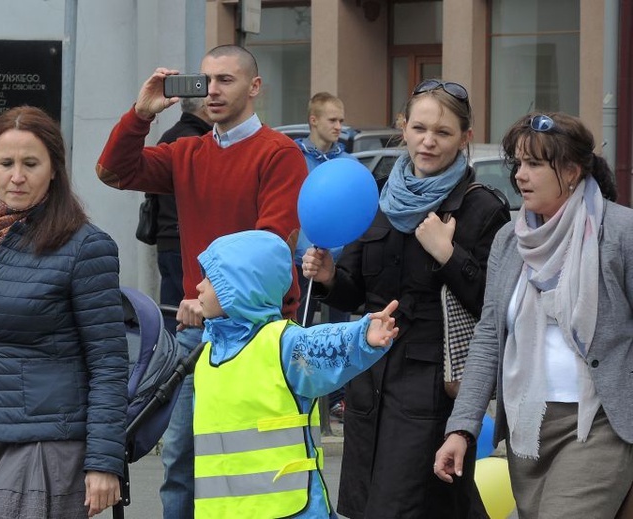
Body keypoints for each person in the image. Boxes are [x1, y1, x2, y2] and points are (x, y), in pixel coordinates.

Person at [96, 45, 307, 518]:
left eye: (226, 80)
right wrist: (140, 114)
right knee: (181, 459)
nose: (212, 90)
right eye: (206, 80)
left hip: (261, 334)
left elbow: (269, 246)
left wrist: (214, 300)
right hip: (198, 332)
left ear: (254, 87)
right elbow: (113, 171)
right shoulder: (186, 152)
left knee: (258, 462)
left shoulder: (280, 153)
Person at [302, 79, 510, 518]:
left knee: (416, 506)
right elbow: (355, 288)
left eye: (443, 132)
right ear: (403, 127)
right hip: (369, 380)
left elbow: (496, 308)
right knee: (364, 505)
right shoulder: (378, 195)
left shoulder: (481, 208)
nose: (428, 141)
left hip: (433, 388)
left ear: (465, 138)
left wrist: (449, 255)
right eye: (419, 128)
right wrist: (326, 278)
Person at [435, 112, 633, 518]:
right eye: (518, 164)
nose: (521, 175)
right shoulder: (512, 239)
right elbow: (489, 337)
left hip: (600, 424)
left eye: (535, 164)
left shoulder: (619, 233)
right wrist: (461, 428)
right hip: (529, 427)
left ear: (573, 171)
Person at [0, 106, 129, 518]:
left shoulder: (86, 246)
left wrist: (104, 463)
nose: (16, 176)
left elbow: (109, 363)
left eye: (31, 164)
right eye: (5, 163)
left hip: (49, 440)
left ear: (54, 169)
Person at [193, 229, 400, 518]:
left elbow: (324, 343)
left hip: (290, 511)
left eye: (211, 279)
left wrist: (362, 335)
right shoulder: (207, 353)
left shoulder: (283, 344)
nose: (198, 287)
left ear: (241, 288)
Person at [293, 92, 358, 421]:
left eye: (342, 120)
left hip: (339, 264)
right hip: (301, 262)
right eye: (332, 120)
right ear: (314, 120)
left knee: (339, 332)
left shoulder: (348, 165)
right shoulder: (293, 157)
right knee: (299, 329)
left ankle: (338, 399)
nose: (339, 127)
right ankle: (296, 388)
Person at [142, 97, 212, 334]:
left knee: (172, 312)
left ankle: (168, 362)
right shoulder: (199, 142)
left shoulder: (169, 136)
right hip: (186, 241)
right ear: (204, 107)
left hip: (166, 238)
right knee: (192, 317)